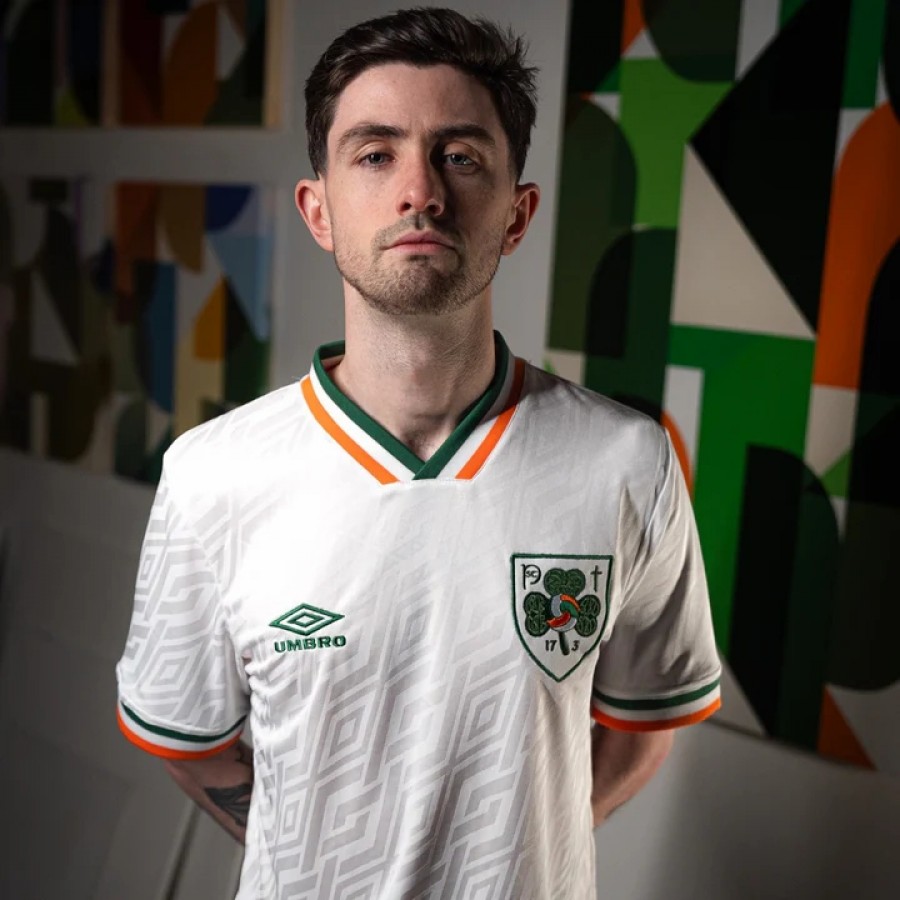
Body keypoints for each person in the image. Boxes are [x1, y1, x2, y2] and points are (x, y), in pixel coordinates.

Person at [115, 8, 721, 899]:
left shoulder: (626, 462)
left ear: (517, 215)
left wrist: (518, 849)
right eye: (375, 154)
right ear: (318, 211)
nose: (420, 192)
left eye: (460, 156)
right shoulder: (213, 476)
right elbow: (187, 744)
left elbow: (647, 722)